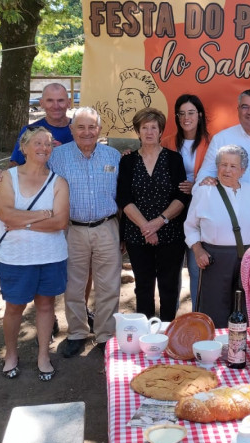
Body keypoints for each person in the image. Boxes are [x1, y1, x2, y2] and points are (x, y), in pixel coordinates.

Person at [0, 127, 70, 381]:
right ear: (24, 147)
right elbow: (6, 214)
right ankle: (11, 354)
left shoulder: (58, 181)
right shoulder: (9, 177)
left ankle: (43, 355)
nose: (43, 148)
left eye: (48, 144)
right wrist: (40, 215)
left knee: (46, 305)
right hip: (16, 257)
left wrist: (22, 221)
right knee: (14, 307)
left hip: (50, 255)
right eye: (37, 143)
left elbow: (60, 222)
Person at [49, 107, 123, 358]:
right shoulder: (56, 156)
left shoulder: (113, 156)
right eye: (80, 127)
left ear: (100, 130)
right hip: (73, 229)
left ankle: (105, 335)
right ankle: (77, 333)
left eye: (92, 127)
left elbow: (122, 195)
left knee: (109, 285)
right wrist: (1, 177)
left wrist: (122, 232)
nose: (87, 132)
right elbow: (33, 176)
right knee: (74, 285)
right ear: (71, 129)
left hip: (107, 226)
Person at [117, 108, 190, 323]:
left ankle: (168, 331)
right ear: (138, 132)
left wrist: (158, 223)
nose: (149, 132)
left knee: (169, 286)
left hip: (170, 233)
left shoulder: (174, 159)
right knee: (143, 286)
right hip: (137, 234)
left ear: (160, 132)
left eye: (153, 128)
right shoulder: (128, 161)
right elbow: (124, 198)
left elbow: (181, 196)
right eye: (144, 128)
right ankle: (145, 333)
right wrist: (145, 228)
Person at [184, 145, 250, 327]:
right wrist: (198, 251)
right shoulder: (205, 191)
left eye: (233, 166)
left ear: (243, 170)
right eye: (223, 164)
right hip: (215, 258)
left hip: (248, 260)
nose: (227, 170)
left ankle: (241, 352)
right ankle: (213, 351)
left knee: (244, 310)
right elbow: (190, 226)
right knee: (213, 310)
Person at [162, 94, 211, 309]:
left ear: (199, 115)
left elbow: (218, 177)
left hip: (200, 212)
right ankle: (170, 321)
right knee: (171, 270)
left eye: (191, 112)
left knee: (196, 267)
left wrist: (196, 187)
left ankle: (196, 317)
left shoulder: (212, 143)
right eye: (181, 114)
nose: (186, 118)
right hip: (172, 210)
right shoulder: (166, 142)